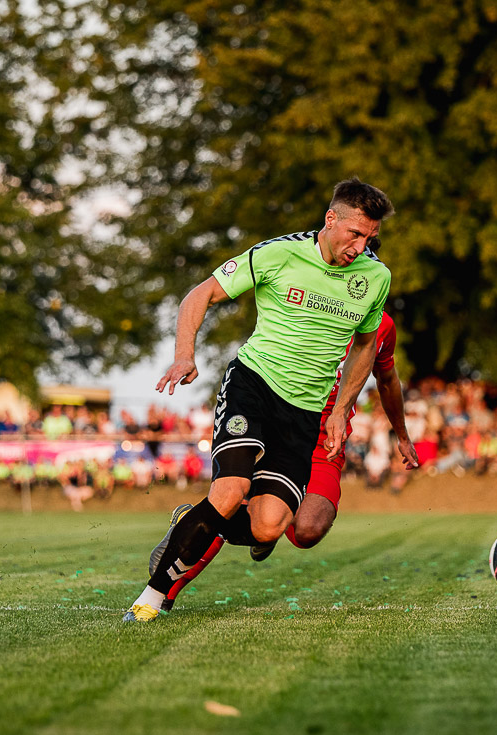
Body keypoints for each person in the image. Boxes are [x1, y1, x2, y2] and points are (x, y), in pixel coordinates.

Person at [123, 177, 395, 622]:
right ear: (331, 219)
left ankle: (190, 522)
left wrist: (342, 408)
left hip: (305, 412)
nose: (361, 246)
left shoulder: (375, 277)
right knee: (231, 492)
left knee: (269, 526)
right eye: (355, 234)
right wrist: (184, 354)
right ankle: (150, 600)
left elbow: (366, 345)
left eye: (370, 238)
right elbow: (201, 293)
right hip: (254, 385)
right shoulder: (279, 253)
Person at [152, 311, 419, 612]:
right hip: (280, 426)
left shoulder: (382, 325)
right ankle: (164, 593)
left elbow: (387, 379)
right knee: (232, 500)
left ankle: (266, 518)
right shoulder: (311, 300)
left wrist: (402, 435)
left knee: (308, 530)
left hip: (323, 441)